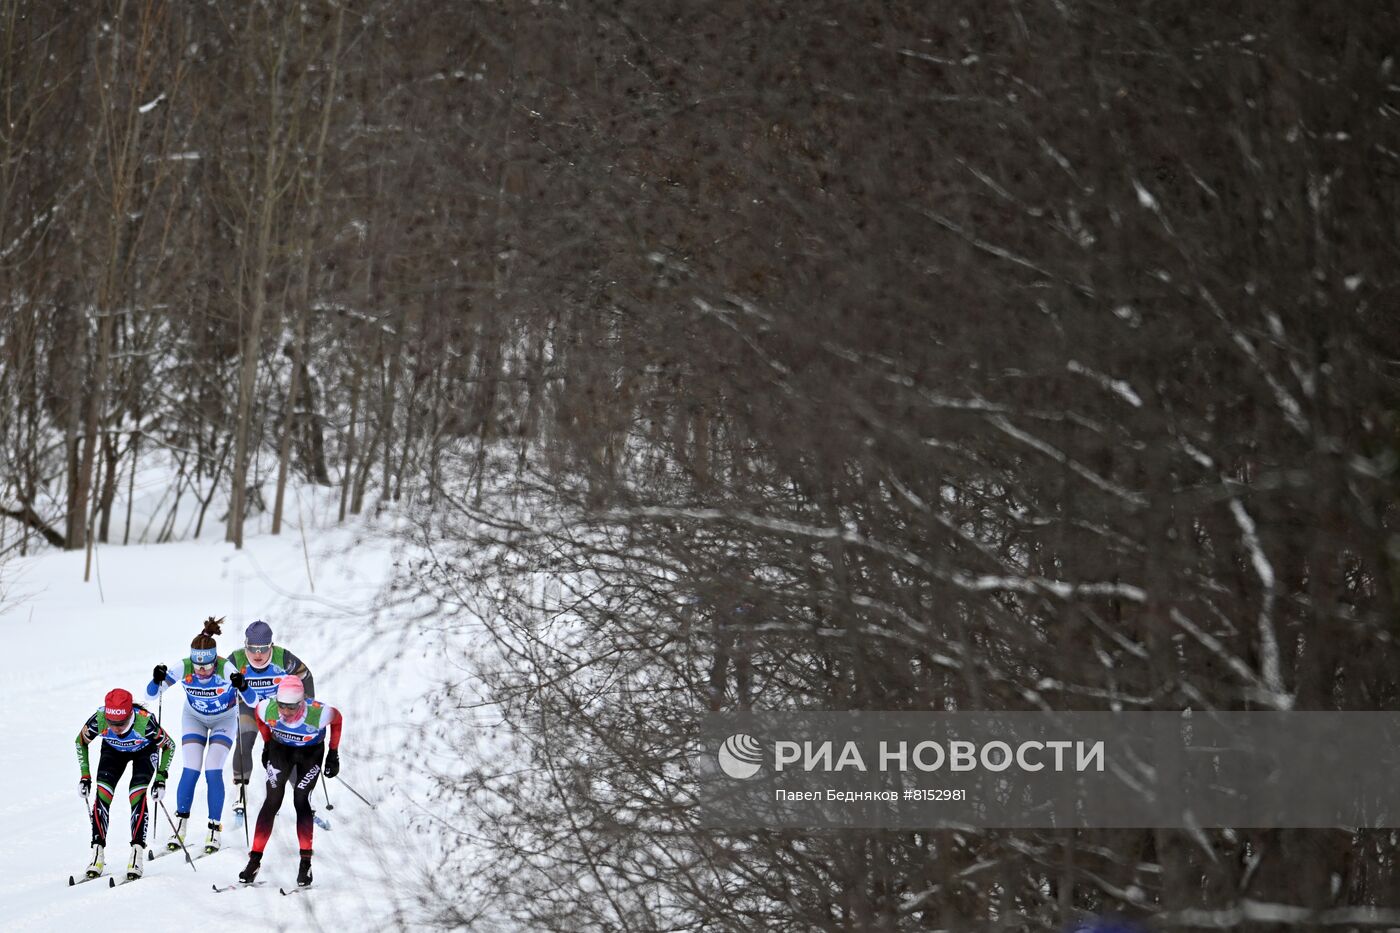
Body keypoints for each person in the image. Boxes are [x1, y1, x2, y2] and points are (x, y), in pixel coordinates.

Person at [146, 616, 254, 854]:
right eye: (198, 665)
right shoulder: (183, 666)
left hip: (223, 720)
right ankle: (180, 825)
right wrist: (156, 679)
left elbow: (252, 701)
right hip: (194, 717)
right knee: (191, 768)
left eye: (207, 665)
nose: (202, 670)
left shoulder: (226, 668)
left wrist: (243, 685)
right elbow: (152, 695)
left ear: (215, 660)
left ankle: (214, 828)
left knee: (212, 768)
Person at [238, 675, 343, 888]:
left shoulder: (318, 713)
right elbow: (259, 718)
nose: (285, 712)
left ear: (302, 703)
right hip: (281, 750)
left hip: (310, 753)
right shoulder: (267, 708)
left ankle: (305, 863)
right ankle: (254, 861)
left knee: (301, 799)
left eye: (291, 708)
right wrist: (267, 744)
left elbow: (338, 719)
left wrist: (333, 753)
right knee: (272, 800)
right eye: (282, 706)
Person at [75, 688, 176, 880]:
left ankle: (137, 852)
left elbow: (169, 746)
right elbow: (80, 741)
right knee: (103, 793)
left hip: (143, 751)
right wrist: (85, 775)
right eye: (112, 723)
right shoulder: (99, 719)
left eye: (121, 724)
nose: (116, 729)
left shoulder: (145, 722)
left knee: (136, 794)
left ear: (130, 715)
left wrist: (161, 778)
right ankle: (97, 853)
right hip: (113, 752)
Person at [226, 619, 315, 823]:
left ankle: (302, 794)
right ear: (245, 645)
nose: (258, 655)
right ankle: (241, 792)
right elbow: (221, 684)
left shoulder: (283, 658)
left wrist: (306, 705)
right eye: (253, 648)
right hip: (249, 707)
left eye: (263, 649)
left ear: (271, 646)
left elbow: (306, 676)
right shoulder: (236, 659)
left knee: (287, 747)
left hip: (277, 708)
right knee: (245, 740)